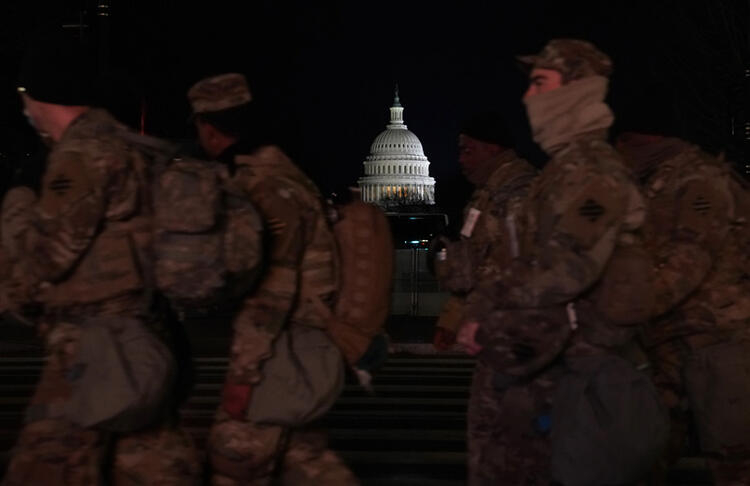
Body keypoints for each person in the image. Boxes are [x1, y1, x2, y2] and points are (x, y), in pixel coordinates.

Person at [1, 28, 200, 485]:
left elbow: (48, 258)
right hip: (148, 340)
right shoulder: (134, 147)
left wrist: (17, 204)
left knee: (43, 469)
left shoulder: (81, 155)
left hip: (93, 349)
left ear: (38, 95)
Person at [457, 39, 654, 484]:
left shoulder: (591, 172)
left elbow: (565, 268)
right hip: (542, 361)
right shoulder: (561, 173)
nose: (529, 98)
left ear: (577, 91)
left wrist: (490, 317)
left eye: (541, 85)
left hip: (564, 370)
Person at [187, 73, 359, 485]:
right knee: (307, 465)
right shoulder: (286, 177)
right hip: (300, 351)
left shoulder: (266, 188)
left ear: (209, 130)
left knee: (233, 462)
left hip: (281, 354)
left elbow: (272, 294)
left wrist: (243, 375)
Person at [616, 93, 750, 484]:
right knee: (640, 459)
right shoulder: (659, 181)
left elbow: (683, 266)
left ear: (642, 139)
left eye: (624, 142)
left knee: (733, 464)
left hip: (717, 343)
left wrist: (614, 310)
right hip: (671, 345)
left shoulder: (697, 181)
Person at [430, 111, 537, 484]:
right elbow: (473, 263)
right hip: (494, 337)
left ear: (492, 147)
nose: (460, 158)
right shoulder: (487, 195)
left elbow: (510, 270)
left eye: (467, 149)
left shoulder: (519, 192)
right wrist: (451, 316)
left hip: (516, 337)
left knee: (509, 445)